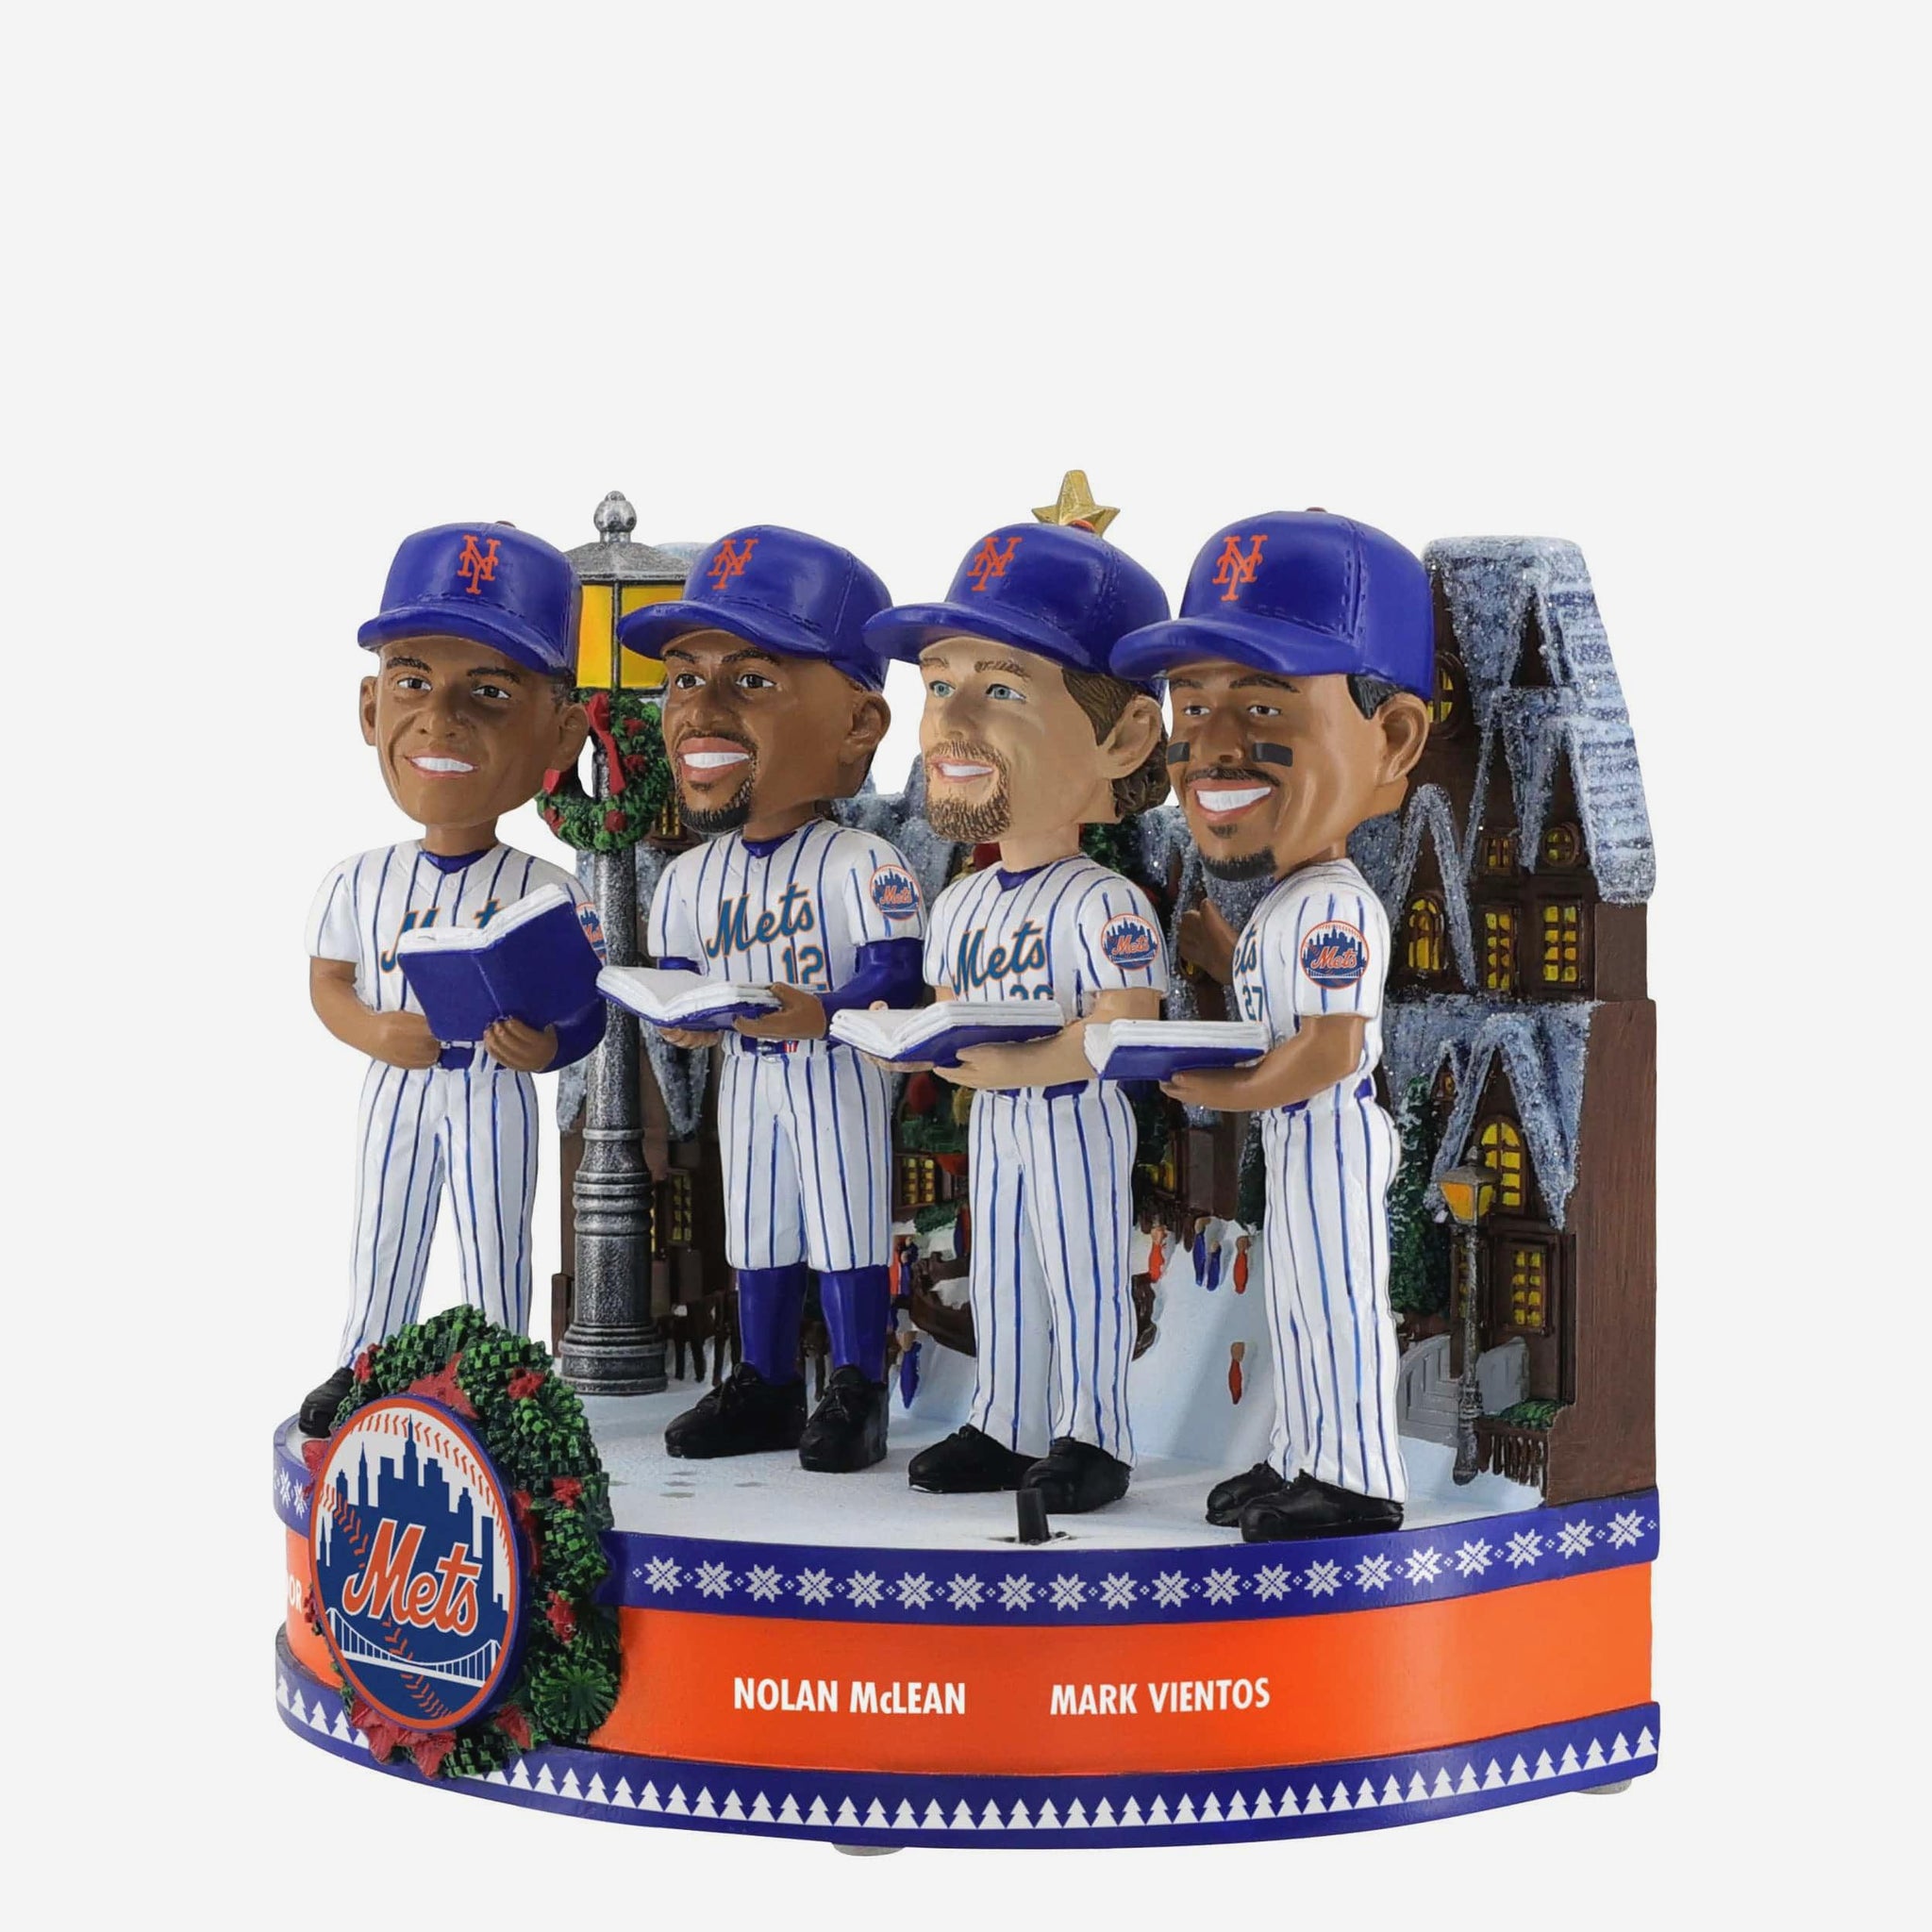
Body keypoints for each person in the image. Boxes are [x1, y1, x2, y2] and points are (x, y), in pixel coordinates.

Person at [1111, 509, 1432, 1540]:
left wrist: (1225, 1091)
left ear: (1390, 740)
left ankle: (1354, 1477)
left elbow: (1328, 1048)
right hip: (1296, 1142)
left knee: (1335, 1304)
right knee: (1292, 1306)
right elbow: (1279, 1003)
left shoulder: (1334, 902)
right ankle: (1299, 1457)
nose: (1212, 743)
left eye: (1259, 704)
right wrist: (1215, 954)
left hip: (1329, 1135)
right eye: (1191, 703)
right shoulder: (1284, 905)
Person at [859, 495, 1172, 1513]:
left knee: (1080, 1270)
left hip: (1075, 1115)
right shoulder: (959, 900)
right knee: (998, 1267)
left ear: (1123, 737)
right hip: (992, 1116)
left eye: (999, 689)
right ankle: (1006, 1420)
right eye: (938, 684)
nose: (952, 720)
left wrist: (1012, 1063)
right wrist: (909, 1042)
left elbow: (1123, 1028)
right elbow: (948, 1006)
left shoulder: (1104, 899)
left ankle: (1094, 1433)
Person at [616, 526, 925, 1472]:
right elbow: (676, 976)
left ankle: (857, 1386)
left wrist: (821, 1011)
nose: (700, 708)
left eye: (750, 679)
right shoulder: (688, 876)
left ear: (859, 724)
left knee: (844, 1225)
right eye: (683, 677)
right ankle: (765, 1381)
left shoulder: (862, 858)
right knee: (755, 1226)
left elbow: (898, 972)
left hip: (834, 1070)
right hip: (747, 1072)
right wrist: (678, 1017)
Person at [300, 524, 603, 1436]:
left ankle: (506, 1375)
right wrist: (372, 1030)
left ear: (561, 730)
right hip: (396, 1078)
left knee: (495, 1234)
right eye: (412, 683)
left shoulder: (549, 885)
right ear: (370, 708)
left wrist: (549, 1046)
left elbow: (588, 1011)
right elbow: (328, 982)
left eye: (490, 692)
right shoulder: (359, 877)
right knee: (383, 1227)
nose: (440, 718)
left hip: (494, 1079)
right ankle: (362, 1359)